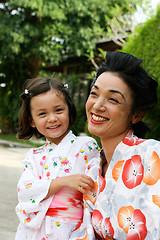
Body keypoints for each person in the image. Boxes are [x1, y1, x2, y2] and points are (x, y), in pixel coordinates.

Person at [70, 51, 160, 240]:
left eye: (113, 99)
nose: (97, 106)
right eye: (94, 94)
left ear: (136, 115)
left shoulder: (151, 155)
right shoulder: (92, 169)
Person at [15, 77, 100, 240]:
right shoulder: (33, 157)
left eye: (59, 110)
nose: (52, 118)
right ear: (31, 120)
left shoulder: (86, 146)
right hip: (36, 231)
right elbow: (25, 190)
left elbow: (96, 187)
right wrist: (63, 181)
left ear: (69, 109)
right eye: (42, 113)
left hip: (72, 228)